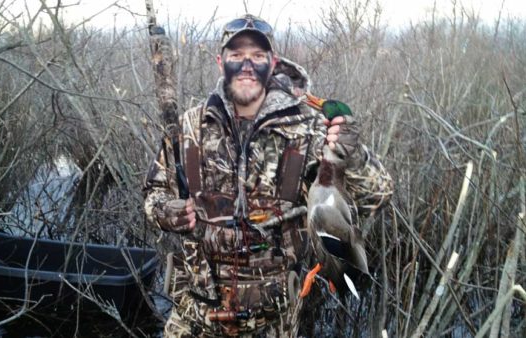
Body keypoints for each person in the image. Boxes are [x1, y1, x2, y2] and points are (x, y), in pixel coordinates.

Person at [144, 14, 393, 337]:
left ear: (272, 63)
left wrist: (353, 155)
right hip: (194, 320)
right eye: (236, 55)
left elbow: (377, 196)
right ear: (221, 62)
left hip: (273, 325)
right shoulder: (190, 127)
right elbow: (153, 194)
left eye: (257, 56)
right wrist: (166, 212)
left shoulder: (307, 129)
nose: (247, 65)